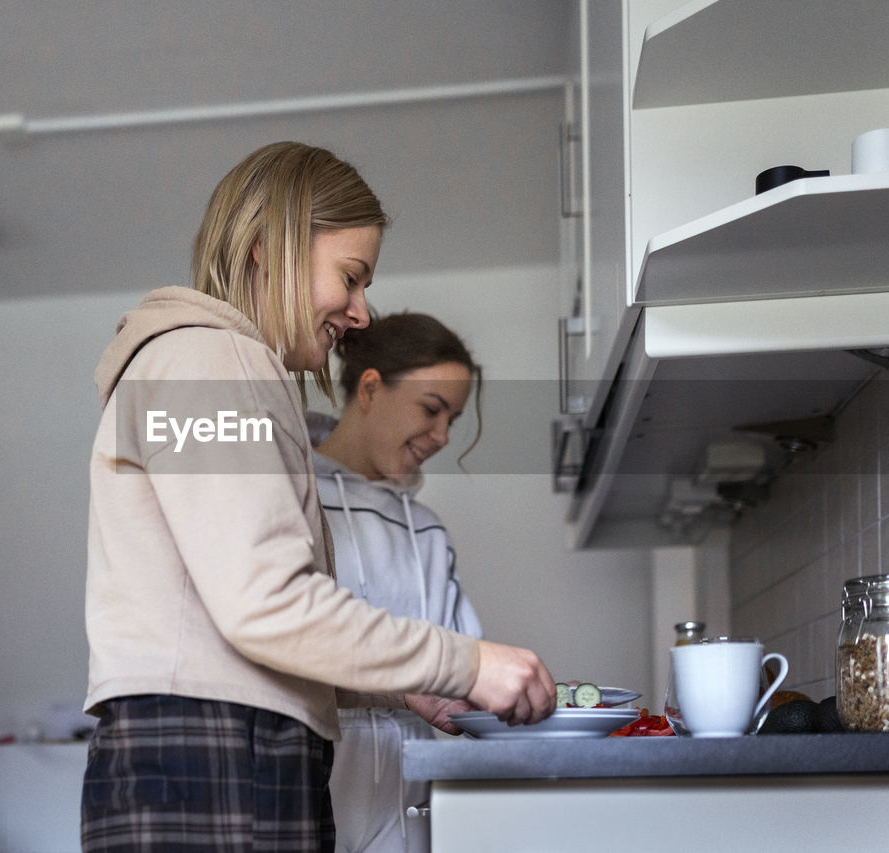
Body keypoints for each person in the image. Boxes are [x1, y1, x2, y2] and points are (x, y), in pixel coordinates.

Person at [81, 141, 555, 852]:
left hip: (212, 756)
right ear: (271, 247)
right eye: (352, 277)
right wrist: (468, 663)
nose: (361, 314)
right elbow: (266, 603)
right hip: (217, 760)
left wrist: (397, 690)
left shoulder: (207, 365)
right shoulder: (212, 360)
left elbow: (231, 624)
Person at [308, 312, 485, 853]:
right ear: (370, 388)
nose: (442, 436)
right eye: (431, 410)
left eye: (452, 419)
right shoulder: (292, 501)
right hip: (308, 801)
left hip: (411, 818)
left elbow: (467, 679)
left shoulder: (427, 531)